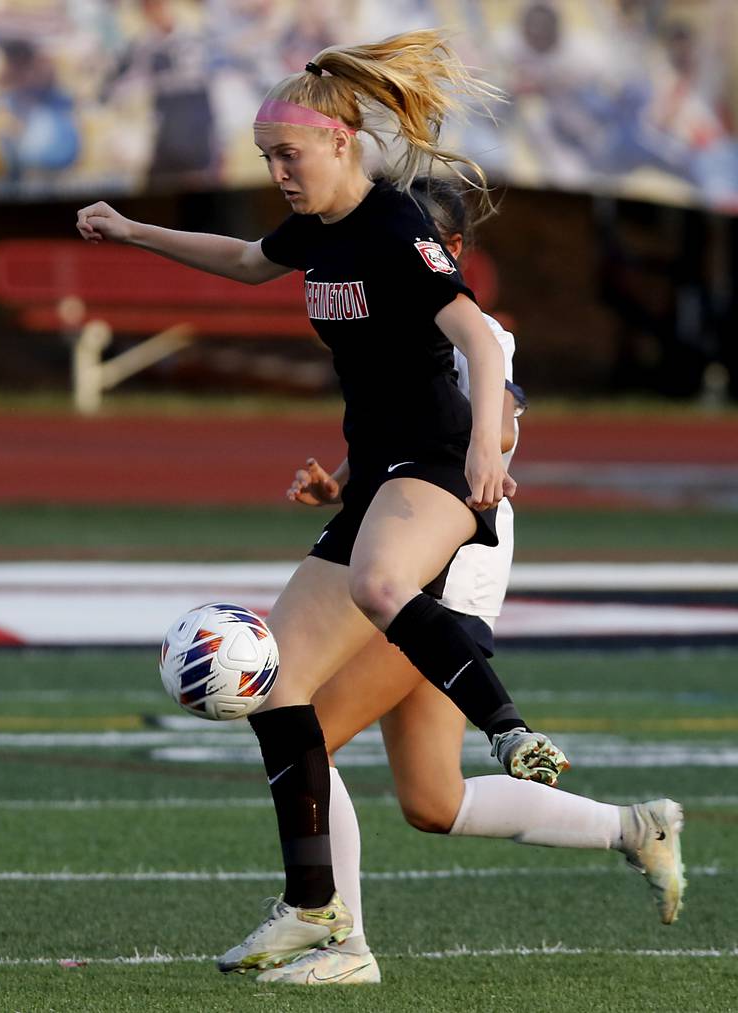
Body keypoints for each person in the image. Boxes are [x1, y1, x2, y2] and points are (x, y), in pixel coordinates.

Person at [76, 29, 683, 976]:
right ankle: (318, 911)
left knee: (378, 588)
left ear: (346, 141)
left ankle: (509, 729)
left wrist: (488, 445)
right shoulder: (319, 231)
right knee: (301, 702)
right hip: (386, 478)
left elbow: (482, 346)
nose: (276, 170)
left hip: (437, 480)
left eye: (290, 153)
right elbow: (244, 261)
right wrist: (131, 230)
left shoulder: (399, 228)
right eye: (267, 155)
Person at [252, 178, 686, 986]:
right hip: (439, 576)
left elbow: (491, 404)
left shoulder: (470, 326)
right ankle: (634, 827)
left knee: (304, 724)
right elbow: (408, 428)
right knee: (432, 798)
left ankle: (338, 943)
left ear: (446, 253)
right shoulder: (400, 311)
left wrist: (498, 434)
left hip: (443, 585)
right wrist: (342, 481)